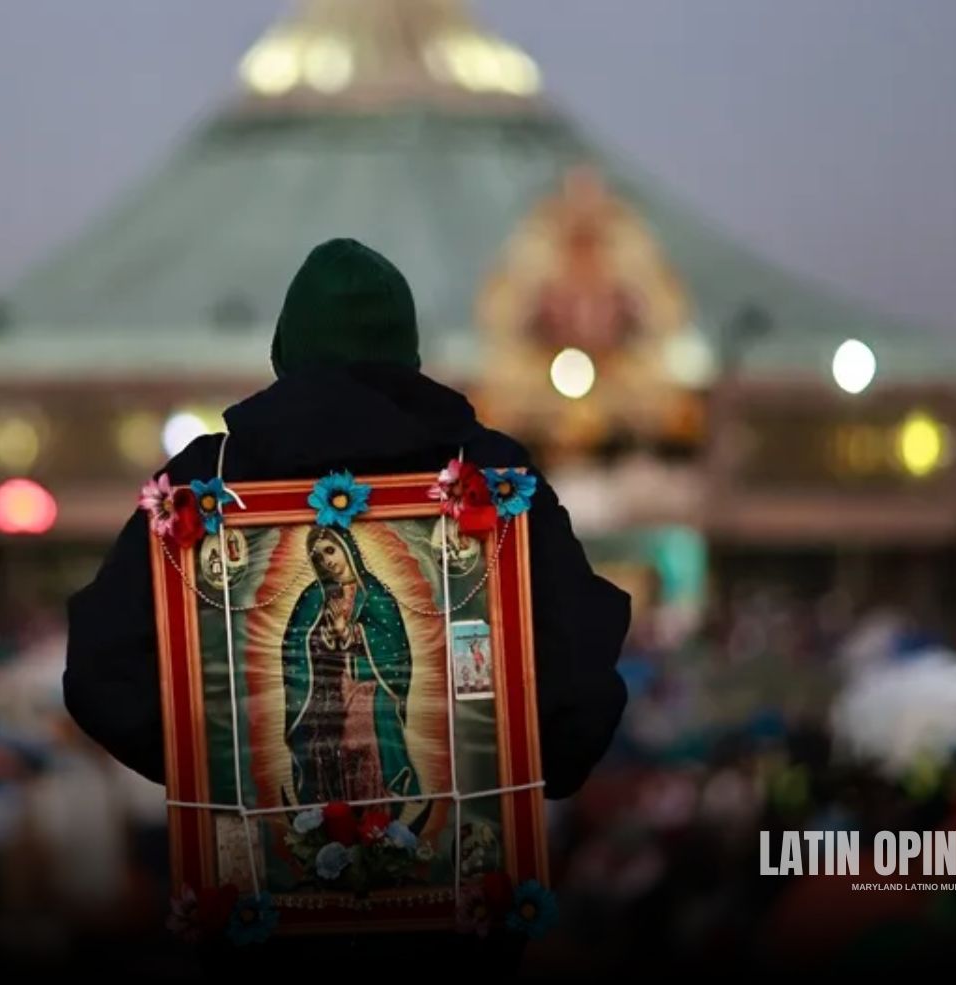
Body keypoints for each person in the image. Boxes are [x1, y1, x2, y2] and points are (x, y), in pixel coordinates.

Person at [63, 238, 631, 975]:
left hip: (263, 930)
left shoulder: (212, 481)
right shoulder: (492, 476)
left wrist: (219, 766)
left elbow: (102, 673)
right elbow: (579, 681)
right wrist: (512, 776)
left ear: (285, 348)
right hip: (456, 930)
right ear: (409, 351)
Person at [282, 525, 419, 810]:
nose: (327, 561)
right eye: (319, 557)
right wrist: (324, 638)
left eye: (330, 550)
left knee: (362, 750)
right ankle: (336, 821)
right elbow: (295, 644)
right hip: (327, 696)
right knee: (333, 755)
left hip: (366, 696)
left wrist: (353, 633)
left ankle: (375, 823)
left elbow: (394, 646)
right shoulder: (313, 597)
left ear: (347, 547)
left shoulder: (375, 593)